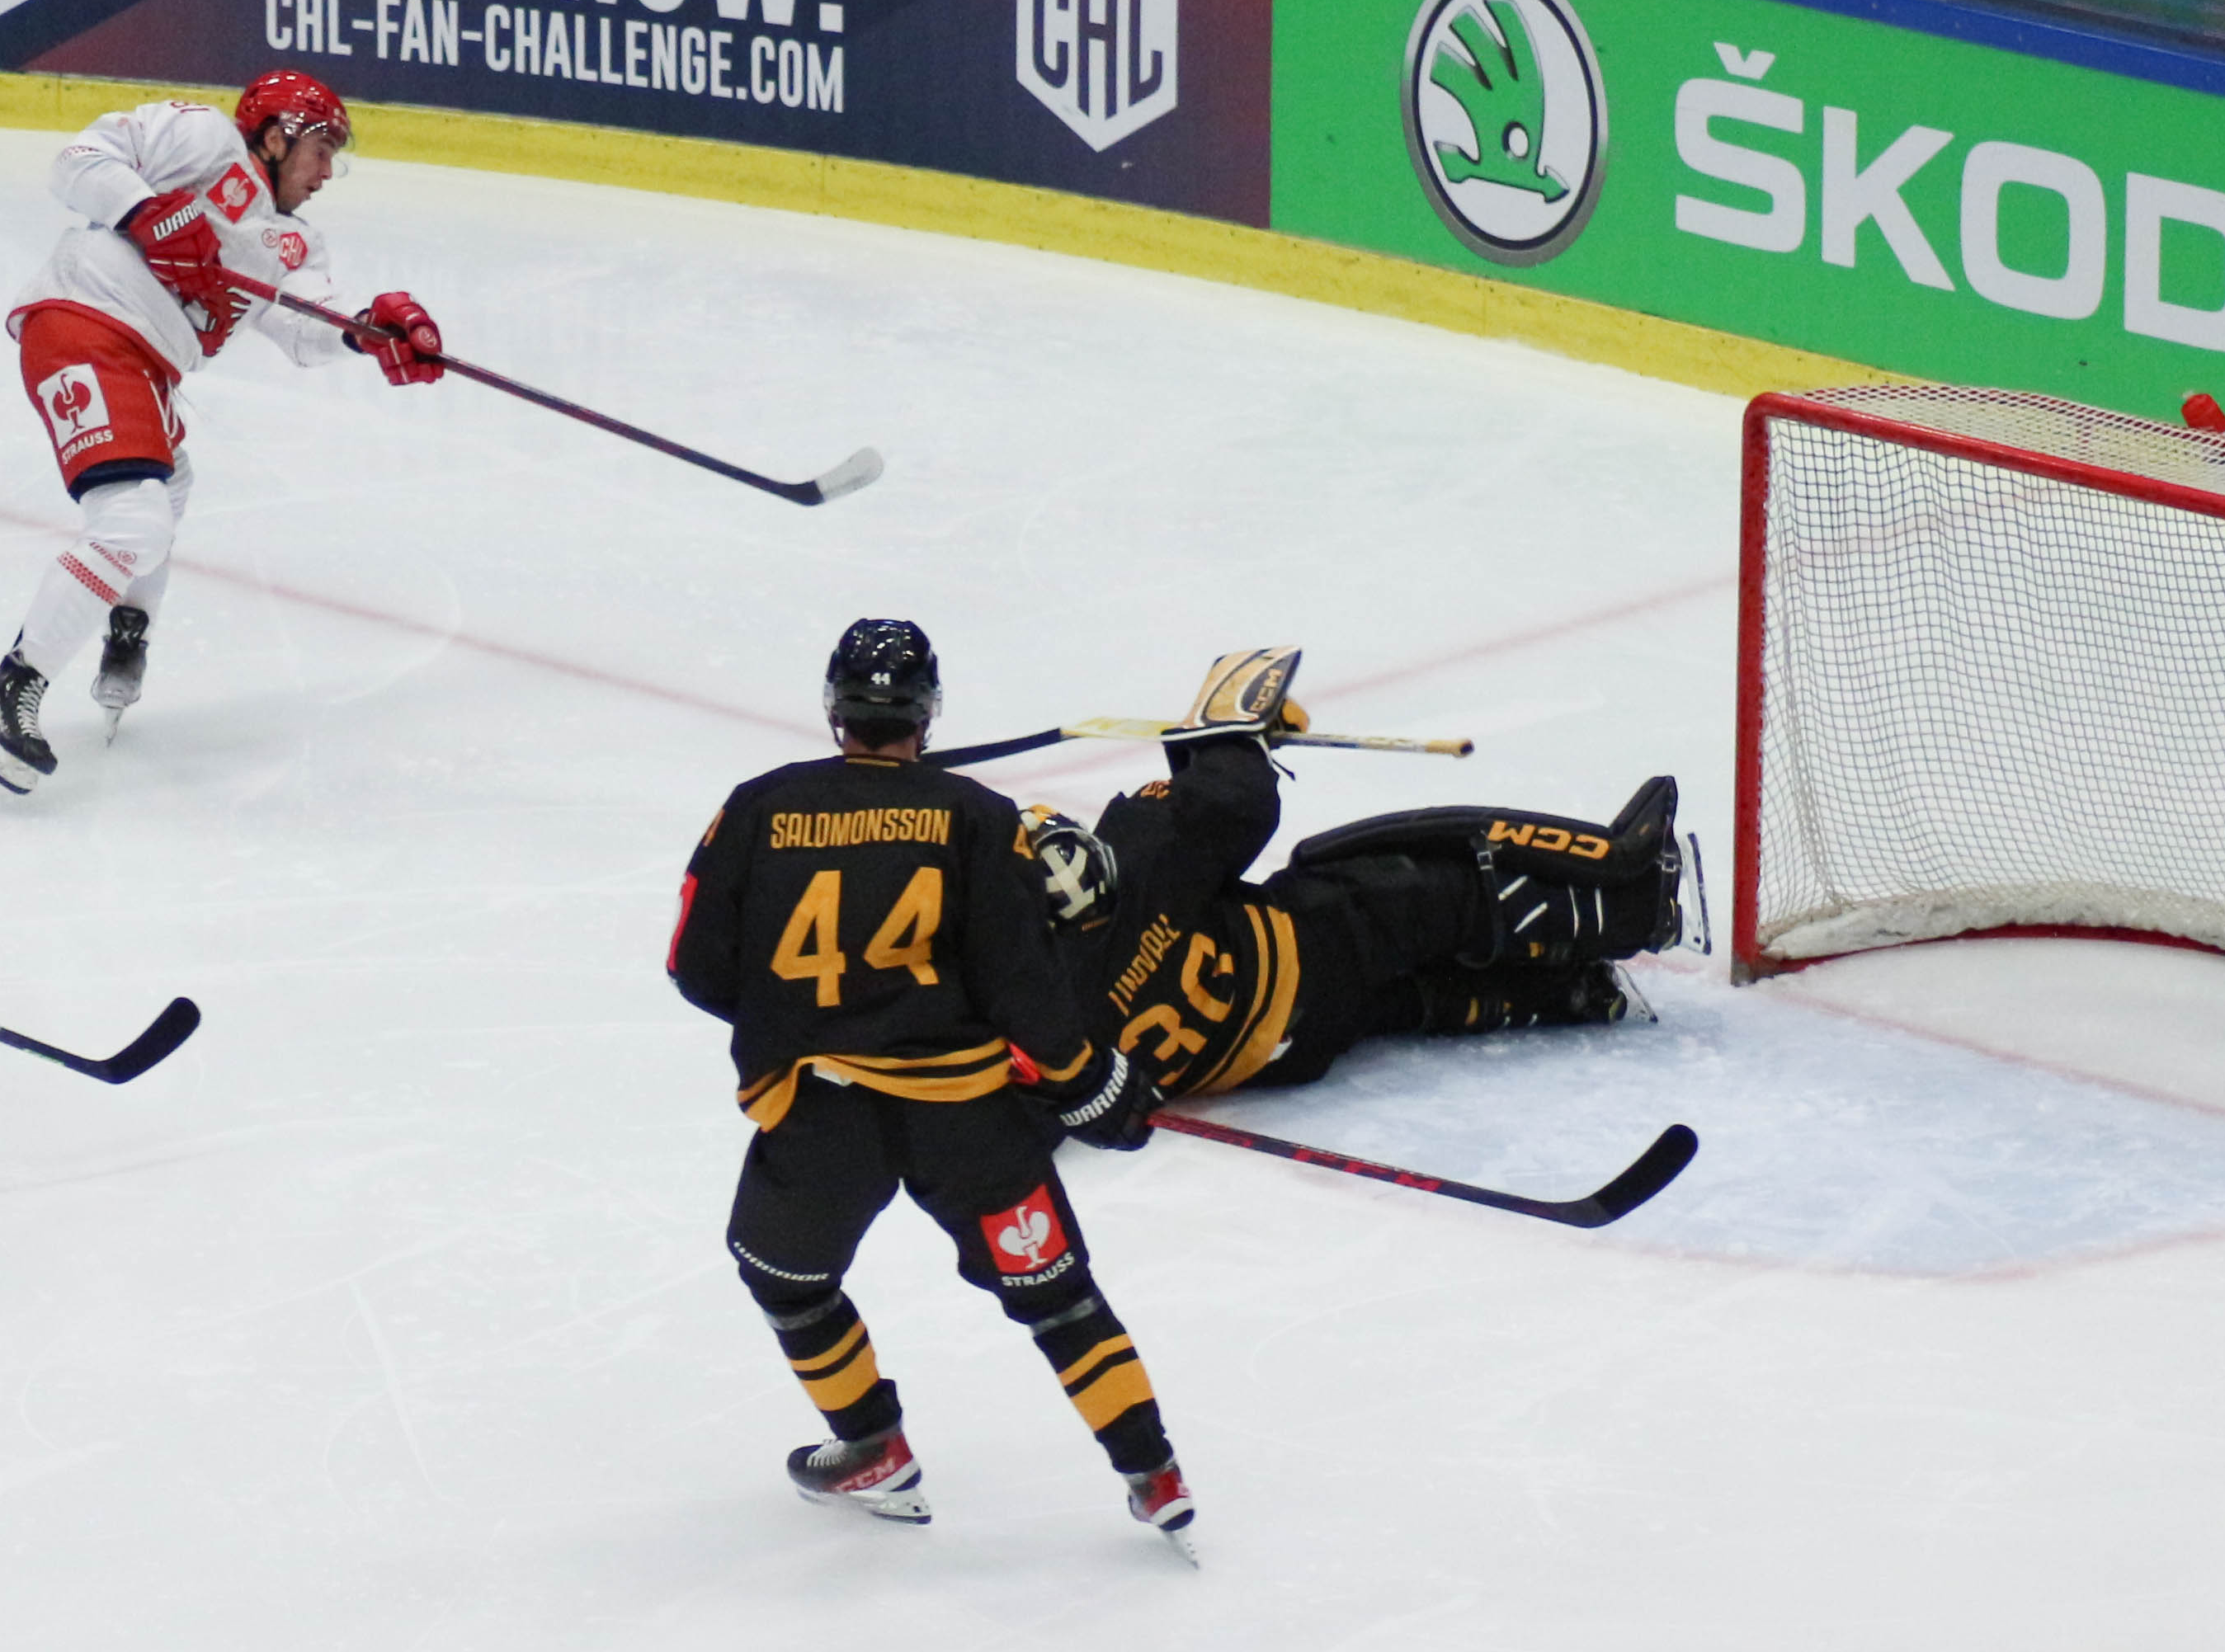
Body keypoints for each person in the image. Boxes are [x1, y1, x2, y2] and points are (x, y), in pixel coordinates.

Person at [667, 619, 1195, 1560]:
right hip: (968, 1119)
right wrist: (1090, 1084)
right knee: (1058, 1296)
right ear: (929, 711)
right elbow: (1024, 986)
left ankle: (872, 1444)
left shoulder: (758, 808)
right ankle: (1153, 1473)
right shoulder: (978, 817)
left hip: (825, 1116)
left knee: (785, 1277)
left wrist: (802, 1019)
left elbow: (696, 966)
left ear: (834, 707)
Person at [0, 68, 445, 793]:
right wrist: (143, 210)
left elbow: (307, 325)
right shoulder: (202, 137)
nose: (326, 174)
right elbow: (77, 160)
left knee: (171, 486)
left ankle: (127, 629)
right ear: (276, 137)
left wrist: (369, 332)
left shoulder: (294, 245)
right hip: (85, 322)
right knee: (133, 521)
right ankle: (6, 692)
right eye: (321, 152)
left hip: (145, 366)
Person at [1032, 651, 1686, 1127]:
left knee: (1400, 1002)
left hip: (1277, 1061)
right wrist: (1232, 733)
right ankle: (1628, 906)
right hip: (1311, 950)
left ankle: (1568, 993)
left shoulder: (1031, 998)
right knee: (1416, 890)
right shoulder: (1138, 862)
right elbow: (1234, 805)